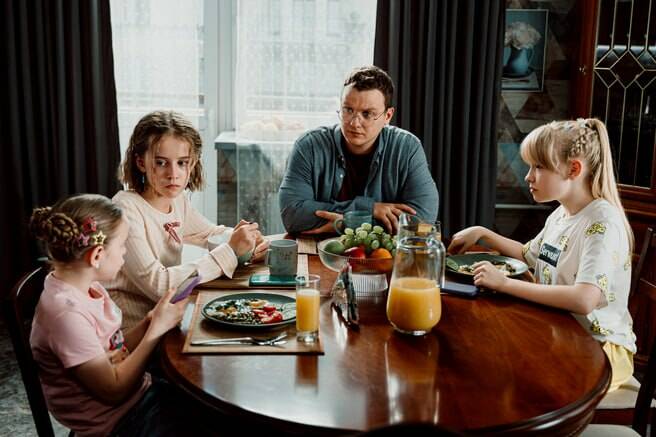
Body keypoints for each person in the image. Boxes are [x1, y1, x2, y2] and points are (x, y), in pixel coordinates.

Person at [448, 118, 636, 391]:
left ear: (573, 169)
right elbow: (529, 256)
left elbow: (584, 299)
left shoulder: (603, 223)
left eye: (539, 167)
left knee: (507, 376)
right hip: (561, 329)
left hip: (600, 348)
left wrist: (505, 284)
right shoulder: (561, 213)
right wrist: (482, 233)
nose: (528, 176)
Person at [29, 194, 193, 436]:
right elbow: (114, 390)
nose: (125, 253)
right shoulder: (65, 315)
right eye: (122, 245)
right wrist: (154, 333)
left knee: (200, 405)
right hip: (116, 422)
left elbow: (115, 345)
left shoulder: (88, 287)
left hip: (136, 397)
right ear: (97, 256)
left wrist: (149, 321)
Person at [106, 110, 268, 329]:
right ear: (140, 162)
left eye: (182, 163)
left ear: (192, 164)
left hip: (167, 321)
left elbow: (209, 233)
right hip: (133, 333)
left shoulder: (176, 200)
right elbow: (159, 285)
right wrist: (231, 250)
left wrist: (246, 239)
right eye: (161, 162)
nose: (173, 174)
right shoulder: (125, 209)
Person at [278, 65, 438, 234]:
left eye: (367, 114)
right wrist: (369, 209)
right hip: (318, 249)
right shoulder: (308, 146)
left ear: (388, 116)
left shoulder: (407, 148)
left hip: (381, 251)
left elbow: (424, 221)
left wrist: (345, 223)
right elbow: (292, 216)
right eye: (348, 110)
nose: (354, 123)